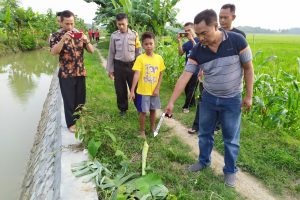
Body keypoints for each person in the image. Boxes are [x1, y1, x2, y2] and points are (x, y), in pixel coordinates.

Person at [165, 9, 254, 187]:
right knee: (204, 134)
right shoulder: (198, 49)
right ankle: (203, 161)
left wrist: (249, 95)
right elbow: (185, 75)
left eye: (204, 33)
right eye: (197, 34)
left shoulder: (237, 41)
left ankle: (230, 171)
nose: (201, 37)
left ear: (216, 26)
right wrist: (171, 102)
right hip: (209, 99)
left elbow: (248, 68)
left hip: (232, 99)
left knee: (230, 138)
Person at [187, 3, 246, 134]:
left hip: (231, 88)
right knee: (204, 100)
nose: (222, 20)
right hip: (209, 78)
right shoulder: (208, 35)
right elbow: (202, 55)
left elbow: (243, 63)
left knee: (229, 130)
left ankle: (216, 126)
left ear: (233, 17)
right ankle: (197, 126)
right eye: (220, 17)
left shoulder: (238, 36)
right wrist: (201, 69)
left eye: (226, 17)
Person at [49, 10, 94, 133]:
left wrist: (87, 40)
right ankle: (71, 123)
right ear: (61, 22)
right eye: (67, 24)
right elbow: (53, 52)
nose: (70, 26)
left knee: (80, 99)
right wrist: (63, 40)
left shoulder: (79, 34)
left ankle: (79, 119)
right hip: (66, 73)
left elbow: (92, 51)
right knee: (69, 99)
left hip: (80, 72)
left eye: (72, 23)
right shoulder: (56, 36)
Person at [129, 32, 165, 138]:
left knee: (153, 110)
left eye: (151, 43)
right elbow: (136, 74)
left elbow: (161, 74)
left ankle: (153, 129)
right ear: (143, 45)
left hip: (154, 92)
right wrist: (132, 90)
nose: (149, 46)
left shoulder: (159, 58)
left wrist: (157, 88)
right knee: (143, 112)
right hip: (142, 91)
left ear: (155, 43)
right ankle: (142, 131)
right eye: (146, 44)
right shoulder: (140, 58)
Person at [106, 13, 141, 116]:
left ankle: (139, 108)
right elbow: (111, 52)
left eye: (123, 24)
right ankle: (123, 109)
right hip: (119, 66)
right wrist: (110, 69)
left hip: (132, 66)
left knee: (135, 87)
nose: (121, 26)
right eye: (119, 24)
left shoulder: (134, 35)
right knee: (120, 89)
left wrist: (139, 68)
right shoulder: (114, 36)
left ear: (127, 23)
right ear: (116, 24)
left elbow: (138, 52)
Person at [178, 22, 200, 113]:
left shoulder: (199, 40)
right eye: (185, 31)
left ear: (194, 29)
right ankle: (192, 104)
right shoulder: (186, 44)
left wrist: (192, 40)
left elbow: (199, 52)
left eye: (189, 30)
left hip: (197, 69)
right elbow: (180, 53)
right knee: (187, 87)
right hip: (188, 68)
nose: (187, 32)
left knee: (191, 87)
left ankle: (186, 106)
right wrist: (179, 42)